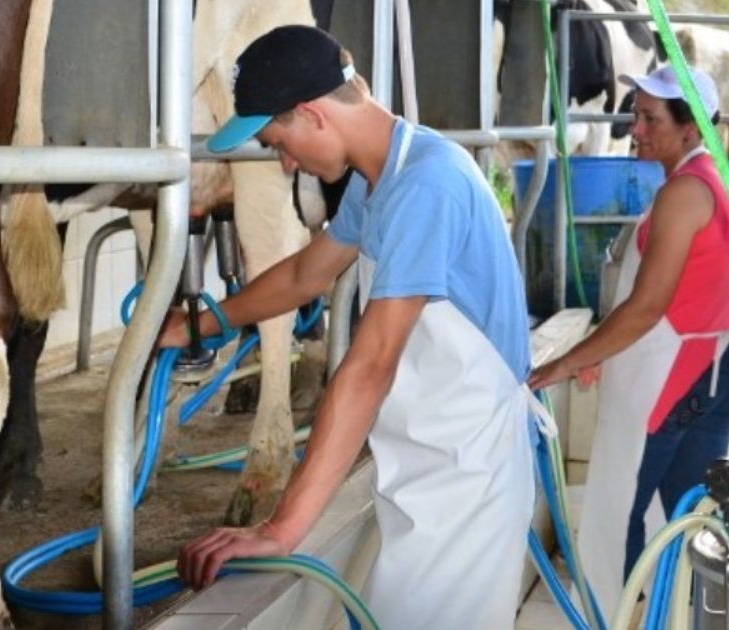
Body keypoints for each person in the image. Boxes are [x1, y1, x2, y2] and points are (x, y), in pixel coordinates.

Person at [160, 25, 535, 629]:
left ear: (312, 115)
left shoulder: (428, 184)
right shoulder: (378, 176)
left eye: (278, 140)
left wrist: (281, 529)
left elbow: (369, 367)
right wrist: (202, 324)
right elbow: (308, 273)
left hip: (465, 477)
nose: (284, 161)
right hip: (420, 463)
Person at [527, 65, 729, 614]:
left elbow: (648, 305)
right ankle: (683, 619)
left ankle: (620, 618)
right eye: (635, 114)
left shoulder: (683, 193)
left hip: (675, 380)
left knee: (620, 515)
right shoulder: (717, 183)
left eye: (650, 118)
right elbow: (699, 292)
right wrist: (607, 350)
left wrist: (561, 364)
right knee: (691, 522)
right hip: (718, 368)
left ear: (692, 128)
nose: (635, 128)